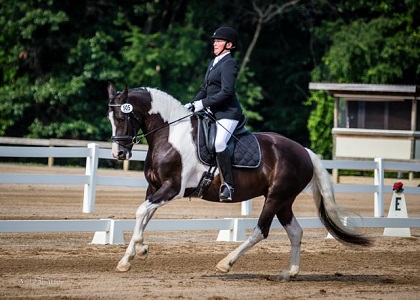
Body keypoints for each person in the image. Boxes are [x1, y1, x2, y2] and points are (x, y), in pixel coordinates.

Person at [185, 26, 244, 202]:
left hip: (228, 114)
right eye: (214, 41)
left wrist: (202, 104)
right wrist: (191, 104)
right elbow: (205, 89)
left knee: (219, 143)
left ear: (229, 45)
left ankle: (228, 185)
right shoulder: (214, 62)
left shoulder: (229, 64)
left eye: (218, 41)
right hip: (212, 112)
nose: (215, 44)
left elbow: (226, 92)